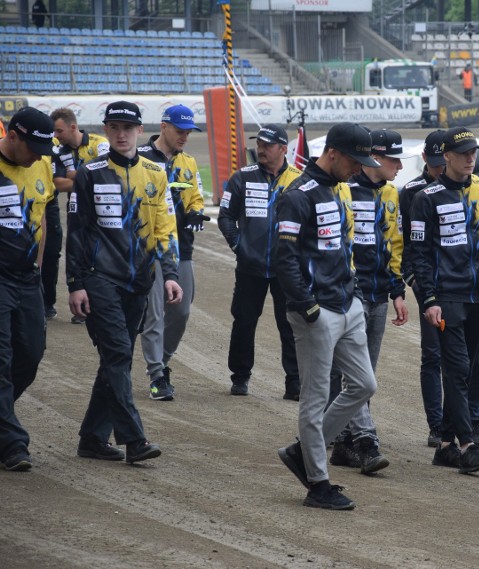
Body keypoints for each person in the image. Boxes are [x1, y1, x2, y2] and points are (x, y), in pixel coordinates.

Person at [66, 100, 181, 464]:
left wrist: (171, 274)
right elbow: (78, 232)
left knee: (116, 357)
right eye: (113, 127)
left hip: (140, 280)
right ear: (106, 129)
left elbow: (165, 227)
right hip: (100, 279)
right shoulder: (90, 172)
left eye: (127, 128)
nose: (120, 134)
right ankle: (134, 439)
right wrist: (75, 283)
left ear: (137, 130)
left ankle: (92, 438)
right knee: (117, 353)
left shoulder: (155, 172)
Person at [275, 122, 381, 510]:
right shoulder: (297, 194)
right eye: (355, 161)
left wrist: (351, 293)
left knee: (364, 385)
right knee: (315, 398)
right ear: (333, 153)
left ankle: (302, 451)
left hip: (346, 303)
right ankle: (317, 483)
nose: (360, 168)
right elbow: (284, 259)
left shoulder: (339, 188)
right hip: (316, 312)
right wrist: (308, 306)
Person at [409, 126, 479, 474]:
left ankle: (444, 446)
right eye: (464, 153)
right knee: (455, 369)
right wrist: (429, 299)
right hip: (446, 297)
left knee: (467, 367)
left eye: (474, 153)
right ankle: (467, 445)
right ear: (447, 156)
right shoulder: (427, 198)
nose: (471, 158)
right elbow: (420, 254)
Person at [400, 130, 479, 448]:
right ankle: (441, 428)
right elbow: (412, 246)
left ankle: (468, 421)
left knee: (476, 358)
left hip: (474, 290)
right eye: (436, 162)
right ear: (428, 159)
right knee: (435, 356)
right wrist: (418, 287)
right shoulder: (415, 194)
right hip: (437, 289)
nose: (440, 168)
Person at [328, 129, 410, 474]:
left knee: (365, 374)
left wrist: (398, 291)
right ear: (375, 157)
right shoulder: (344, 189)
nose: (400, 166)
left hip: (378, 294)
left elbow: (394, 244)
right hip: (351, 293)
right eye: (394, 159)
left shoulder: (392, 193)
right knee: (357, 374)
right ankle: (366, 440)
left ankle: (344, 444)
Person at [217, 124, 302, 398]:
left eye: (268, 145)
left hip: (286, 269)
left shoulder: (299, 181)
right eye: (259, 144)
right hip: (250, 267)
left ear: (283, 149)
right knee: (243, 321)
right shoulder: (241, 178)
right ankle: (240, 377)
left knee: (290, 324)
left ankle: (295, 382)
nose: (261, 149)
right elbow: (225, 216)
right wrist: (238, 245)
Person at [138, 105, 208, 401]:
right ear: (164, 126)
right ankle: (156, 375)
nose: (185, 136)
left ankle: (162, 361)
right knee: (155, 313)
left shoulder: (189, 163)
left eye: (189, 131)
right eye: (180, 130)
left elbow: (197, 199)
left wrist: (195, 213)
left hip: (182, 250)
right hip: (149, 249)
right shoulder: (139, 158)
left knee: (181, 310)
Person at [0, 107, 55, 471]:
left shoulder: (41, 165)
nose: (38, 154)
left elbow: (42, 217)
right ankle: (12, 444)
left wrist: (37, 266)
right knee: (1, 361)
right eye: (32, 145)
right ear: (12, 136)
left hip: (26, 278)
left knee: (31, 355)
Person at [48, 107, 109, 322]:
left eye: (59, 131)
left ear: (73, 127)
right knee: (78, 254)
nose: (55, 136)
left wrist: (76, 174)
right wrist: (87, 177)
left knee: (100, 255)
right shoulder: (57, 150)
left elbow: (107, 174)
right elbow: (57, 183)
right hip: (76, 210)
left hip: (103, 209)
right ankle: (83, 306)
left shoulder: (99, 143)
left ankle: (98, 304)